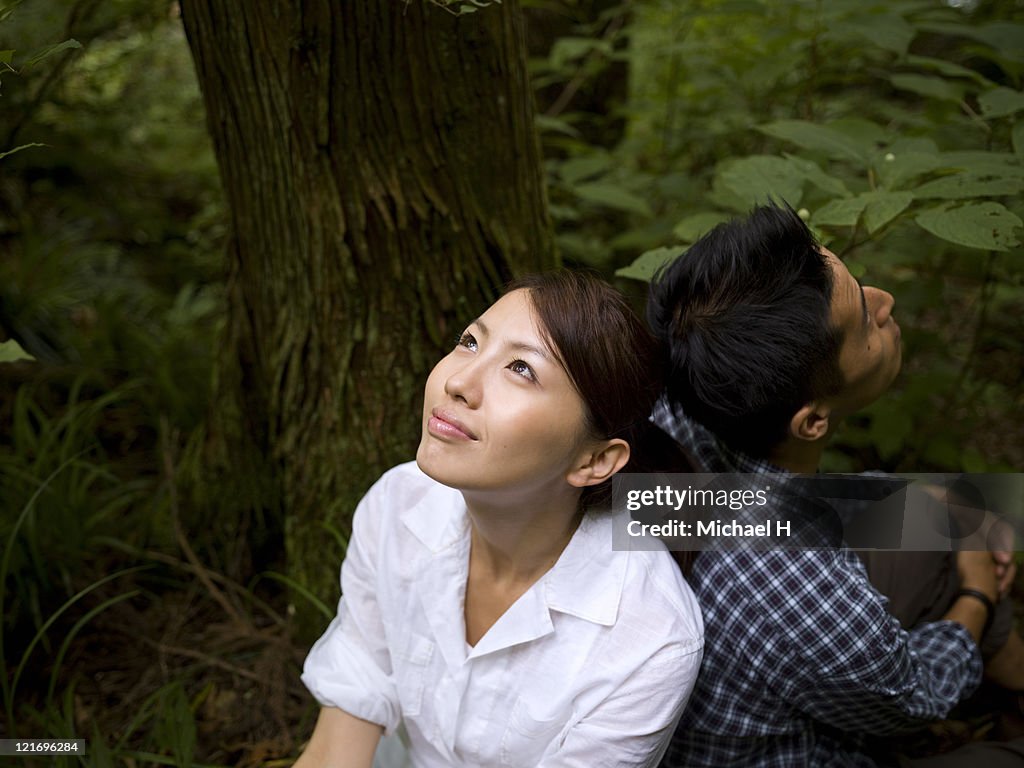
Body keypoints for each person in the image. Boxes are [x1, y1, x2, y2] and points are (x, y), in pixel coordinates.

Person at [646, 203, 1024, 767]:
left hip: (755, 602)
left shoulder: (680, 399)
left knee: (958, 510)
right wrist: (977, 595)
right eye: (863, 321)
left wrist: (941, 506)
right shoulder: (794, 582)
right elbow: (912, 694)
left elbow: (774, 506)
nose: (883, 299)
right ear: (812, 422)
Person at [295, 271, 704, 768]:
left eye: (521, 369)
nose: (457, 382)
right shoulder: (399, 503)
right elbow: (341, 737)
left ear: (594, 462)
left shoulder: (648, 639)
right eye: (469, 342)